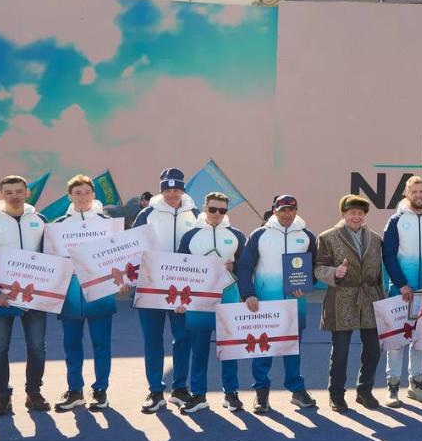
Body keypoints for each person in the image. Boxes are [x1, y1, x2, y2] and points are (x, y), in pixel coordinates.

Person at [237, 194, 317, 414]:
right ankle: (261, 391)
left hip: (294, 303)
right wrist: (248, 294)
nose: (287, 214)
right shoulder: (259, 235)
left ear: (296, 211)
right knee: (263, 348)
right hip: (265, 303)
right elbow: (244, 266)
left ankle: (296, 389)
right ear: (274, 211)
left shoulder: (306, 236)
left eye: (291, 209)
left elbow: (313, 267)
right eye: (282, 210)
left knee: (293, 348)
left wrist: (307, 285)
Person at [133, 168, 199, 413]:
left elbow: (203, 248)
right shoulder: (147, 214)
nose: (172, 194)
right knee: (153, 339)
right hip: (151, 287)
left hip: (183, 289)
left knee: (183, 338)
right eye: (167, 190)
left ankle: (180, 388)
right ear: (161, 191)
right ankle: (155, 391)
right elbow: (132, 247)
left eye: (176, 189)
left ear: (183, 189)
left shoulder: (195, 214)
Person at [176, 192, 247, 414]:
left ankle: (231, 393)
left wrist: (234, 267)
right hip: (199, 298)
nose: (217, 214)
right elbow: (180, 268)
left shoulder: (236, 235)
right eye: (213, 209)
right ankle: (198, 395)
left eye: (222, 210)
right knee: (199, 348)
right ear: (204, 207)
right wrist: (181, 299)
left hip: (229, 295)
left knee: (230, 347)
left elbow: (246, 266)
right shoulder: (190, 235)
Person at [51, 175, 118, 412]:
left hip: (100, 290)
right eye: (77, 193)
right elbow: (51, 258)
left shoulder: (107, 223)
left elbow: (119, 256)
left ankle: (100, 391)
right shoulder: (58, 225)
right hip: (70, 291)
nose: (83, 197)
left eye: (87, 192)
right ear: (69, 196)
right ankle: (75, 391)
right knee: (71, 343)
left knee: (101, 344)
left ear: (94, 195)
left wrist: (123, 278)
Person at [314, 194, 384, 412]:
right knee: (341, 352)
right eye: (352, 212)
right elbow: (318, 268)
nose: (357, 217)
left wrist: (382, 300)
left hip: (370, 298)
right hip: (341, 298)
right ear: (343, 213)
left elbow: (379, 274)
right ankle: (336, 395)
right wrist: (335, 272)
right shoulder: (327, 237)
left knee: (373, 350)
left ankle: (364, 391)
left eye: (360, 213)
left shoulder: (375, 238)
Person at [381, 176, 422, 407]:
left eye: (421, 192)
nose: (418, 195)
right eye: (414, 192)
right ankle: (392, 386)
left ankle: (415, 384)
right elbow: (388, 255)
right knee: (397, 340)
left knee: (420, 339)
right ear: (407, 194)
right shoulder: (396, 221)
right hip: (400, 290)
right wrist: (401, 283)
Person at [0, 175, 50, 416]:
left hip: (35, 296)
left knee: (37, 347)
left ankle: (33, 392)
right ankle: (2, 396)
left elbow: (52, 256)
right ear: (1, 195)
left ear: (28, 193)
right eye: (9, 192)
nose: (14, 195)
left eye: (19, 191)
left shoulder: (40, 220)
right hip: (1, 297)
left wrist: (50, 290)